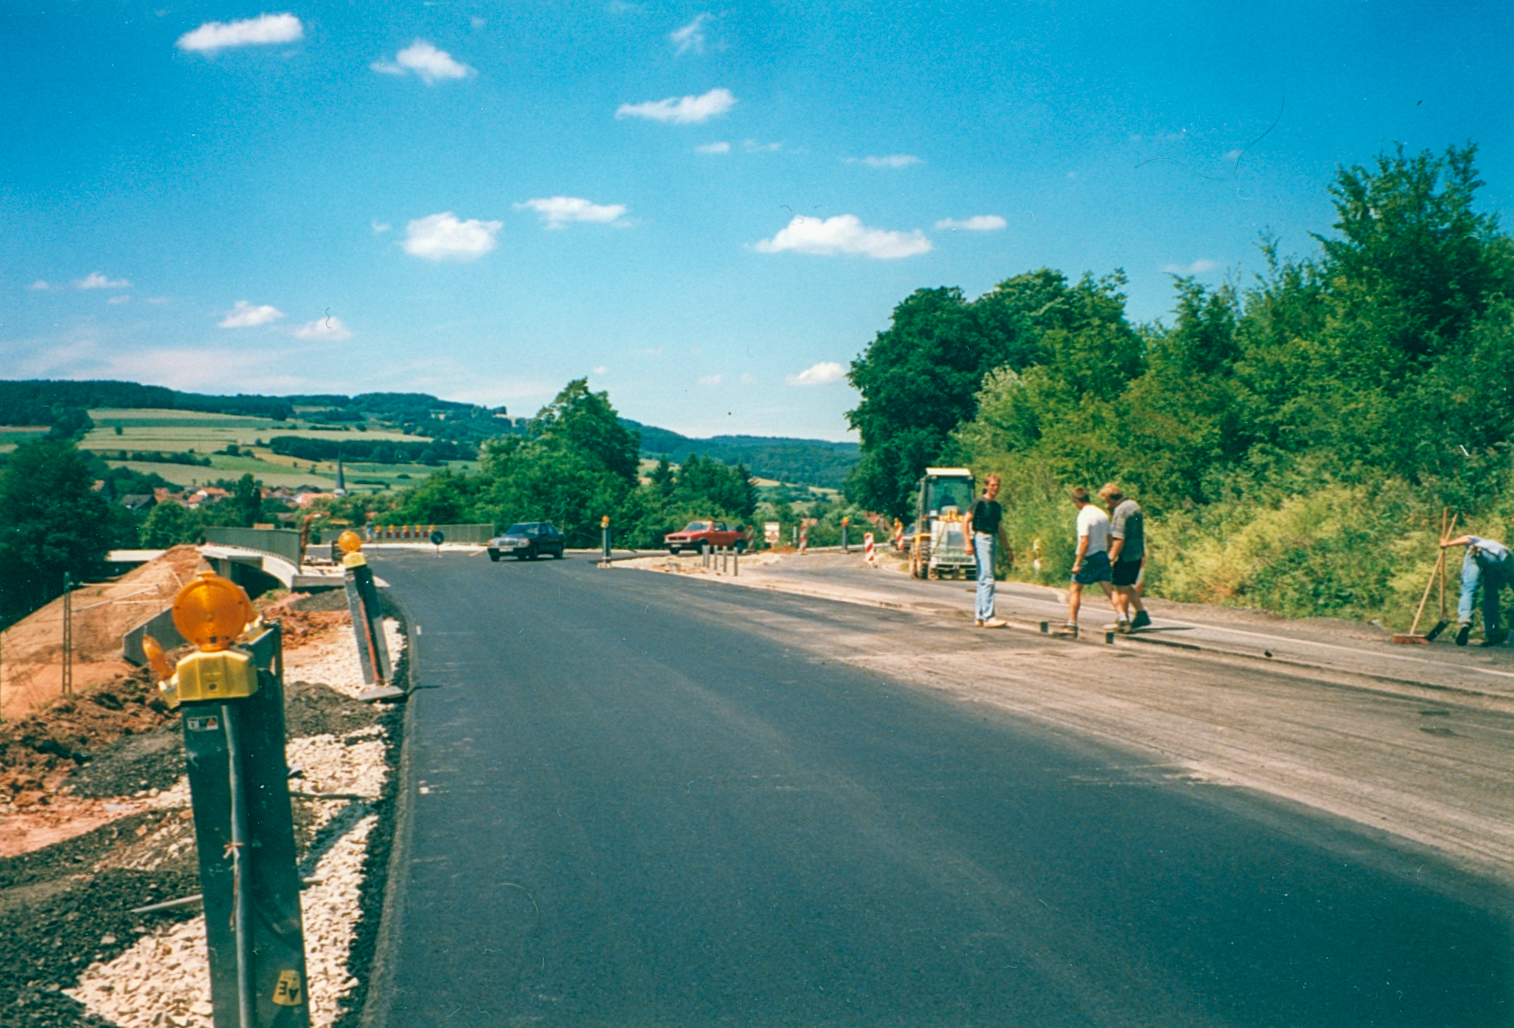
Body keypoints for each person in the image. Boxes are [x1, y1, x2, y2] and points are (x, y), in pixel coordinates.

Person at [1058, 486, 1113, 636]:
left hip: (1088, 557)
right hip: (1102, 555)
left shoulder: (1084, 515)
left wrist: (1077, 563)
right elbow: (1110, 538)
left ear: (1077, 501)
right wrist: (1106, 553)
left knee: (1075, 589)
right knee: (1109, 589)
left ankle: (1071, 624)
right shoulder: (1102, 514)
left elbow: (1084, 542)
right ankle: (1123, 618)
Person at [1440, 533, 1512, 647]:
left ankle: (1465, 622)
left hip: (1477, 553)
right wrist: (1502, 580)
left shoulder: (1482, 542)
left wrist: (1447, 544)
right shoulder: (1507, 556)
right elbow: (1467, 538)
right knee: (1491, 597)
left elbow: (1467, 539)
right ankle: (1492, 633)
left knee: (1469, 590)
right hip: (1497, 561)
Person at [1099, 483, 1151, 633]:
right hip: (1136, 552)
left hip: (1125, 554)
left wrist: (1111, 558)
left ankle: (1123, 620)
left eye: (1106, 500)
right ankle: (1141, 613)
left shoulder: (1121, 511)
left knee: (1121, 586)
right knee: (1126, 585)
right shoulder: (1133, 505)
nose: (1106, 504)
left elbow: (1119, 538)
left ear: (1110, 497)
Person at [963, 473, 1012, 628]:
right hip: (981, 538)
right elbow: (965, 521)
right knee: (988, 578)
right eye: (992, 485)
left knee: (983, 579)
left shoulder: (996, 506)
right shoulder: (978, 503)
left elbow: (999, 528)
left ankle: (979, 617)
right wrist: (967, 543)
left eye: (997, 485)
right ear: (986, 486)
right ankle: (989, 617)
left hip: (992, 539)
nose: (995, 488)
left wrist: (1008, 548)